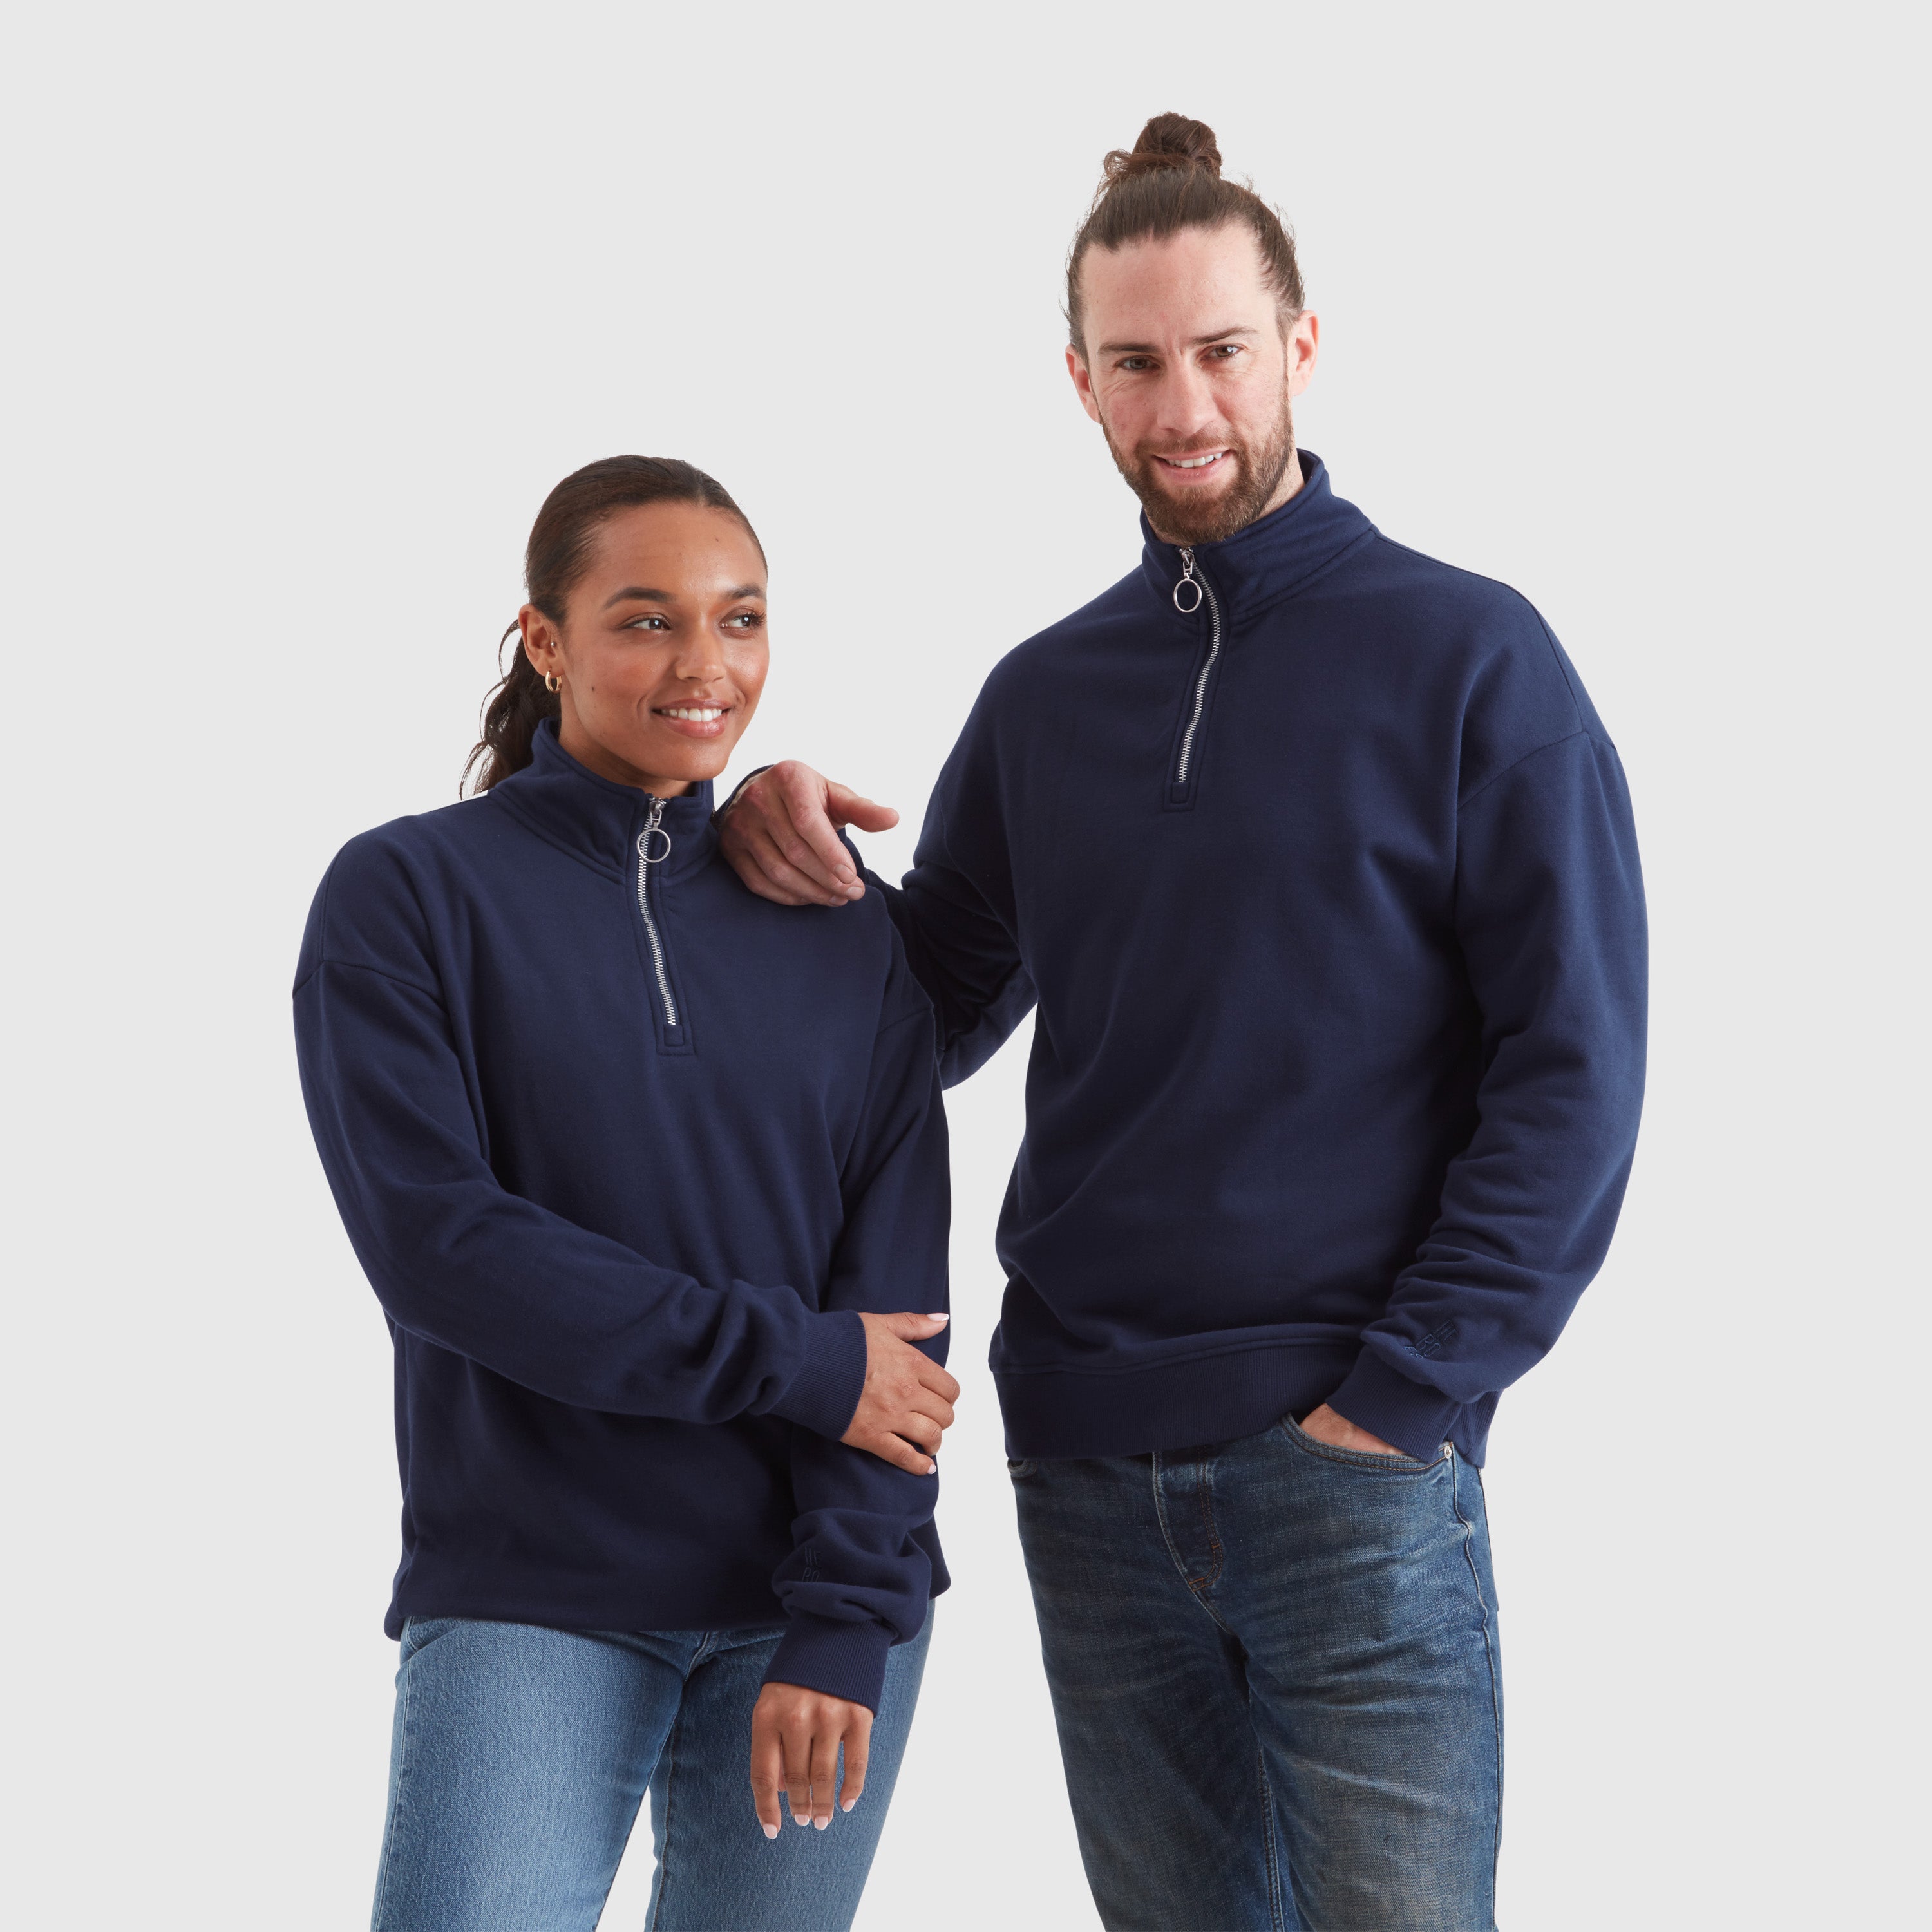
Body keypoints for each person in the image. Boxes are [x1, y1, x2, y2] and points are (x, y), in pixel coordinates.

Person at [717, 115, 1648, 1931]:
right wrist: (776, 845)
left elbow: (1575, 1065)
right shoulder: (1051, 695)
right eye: (1135, 364)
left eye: (1220, 350)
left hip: (1357, 1467)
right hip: (1086, 1467)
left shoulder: (1475, 659)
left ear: (1301, 345)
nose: (1184, 403)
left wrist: (1404, 1402)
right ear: (1079, 382)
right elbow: (929, 1012)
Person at [292, 456, 961, 1932]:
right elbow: (445, 1249)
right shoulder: (407, 898)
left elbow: (899, 1312)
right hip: (537, 1591)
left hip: (814, 1596)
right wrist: (793, 1360)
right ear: (545, 640)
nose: (703, 665)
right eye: (647, 620)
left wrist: (850, 1617)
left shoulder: (843, 934)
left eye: (740, 620)